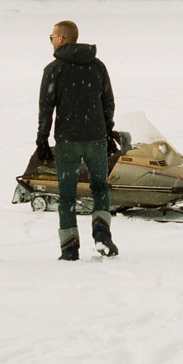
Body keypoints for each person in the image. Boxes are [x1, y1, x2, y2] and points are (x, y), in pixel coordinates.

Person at [36, 20, 119, 261]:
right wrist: (107, 129)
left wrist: (42, 139)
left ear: (61, 38)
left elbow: (46, 108)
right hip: (96, 138)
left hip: (67, 141)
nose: (50, 41)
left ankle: (70, 248)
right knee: (101, 187)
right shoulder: (98, 66)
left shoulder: (53, 69)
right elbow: (108, 102)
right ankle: (102, 233)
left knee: (67, 195)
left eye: (51, 36)